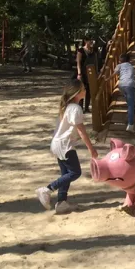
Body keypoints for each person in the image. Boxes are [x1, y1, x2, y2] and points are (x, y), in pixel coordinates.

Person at [36, 81, 98, 214]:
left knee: (66, 174)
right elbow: (81, 130)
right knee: (75, 172)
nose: (85, 90)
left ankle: (61, 202)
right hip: (65, 145)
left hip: (57, 143)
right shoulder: (75, 108)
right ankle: (47, 189)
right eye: (83, 88)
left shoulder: (67, 107)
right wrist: (91, 148)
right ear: (76, 92)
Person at [115, 52, 135, 132]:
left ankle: (130, 111)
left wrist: (106, 79)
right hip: (130, 85)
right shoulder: (131, 67)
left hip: (121, 85)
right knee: (131, 105)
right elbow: (134, 76)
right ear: (129, 60)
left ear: (120, 60)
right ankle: (130, 125)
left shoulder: (119, 66)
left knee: (127, 99)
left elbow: (114, 73)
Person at [75, 39, 97, 112]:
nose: (91, 42)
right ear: (85, 41)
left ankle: (86, 108)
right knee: (81, 90)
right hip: (82, 72)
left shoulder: (93, 50)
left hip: (91, 72)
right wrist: (79, 73)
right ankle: (80, 108)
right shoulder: (80, 50)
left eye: (91, 40)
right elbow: (78, 62)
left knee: (89, 90)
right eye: (89, 40)